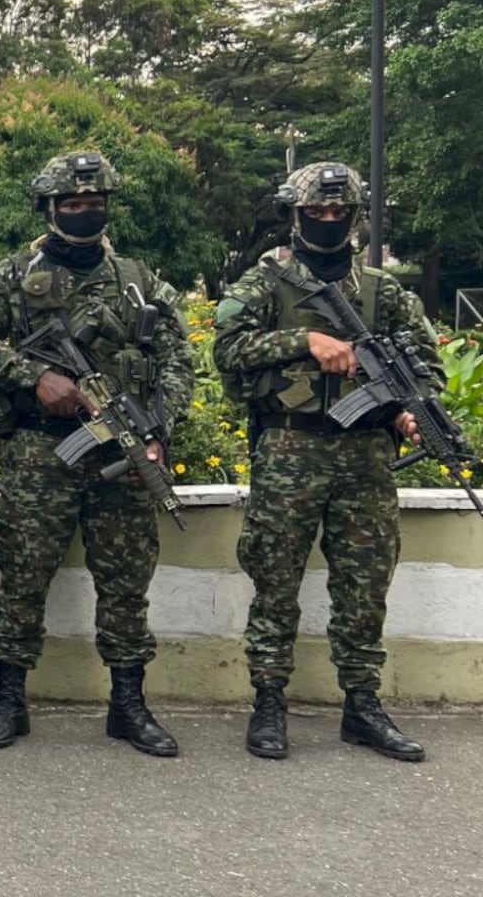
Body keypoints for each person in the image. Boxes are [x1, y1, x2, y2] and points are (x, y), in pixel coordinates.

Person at [0, 151, 194, 757]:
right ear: (51, 208)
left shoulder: (139, 281)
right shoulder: (13, 274)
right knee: (24, 573)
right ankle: (9, 700)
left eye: (96, 203)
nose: (86, 212)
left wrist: (160, 424)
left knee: (125, 580)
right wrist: (33, 375)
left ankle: (128, 704)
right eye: (74, 204)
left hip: (123, 449)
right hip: (42, 451)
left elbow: (177, 359)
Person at [213, 162, 436, 762]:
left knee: (365, 585)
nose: (330, 222)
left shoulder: (383, 291)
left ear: (357, 217)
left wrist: (413, 412)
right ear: (298, 215)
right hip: (291, 447)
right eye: (319, 213)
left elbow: (425, 364)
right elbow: (226, 347)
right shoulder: (266, 283)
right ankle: (268, 702)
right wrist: (305, 341)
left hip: (366, 454)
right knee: (276, 580)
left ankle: (362, 705)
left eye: (341, 214)